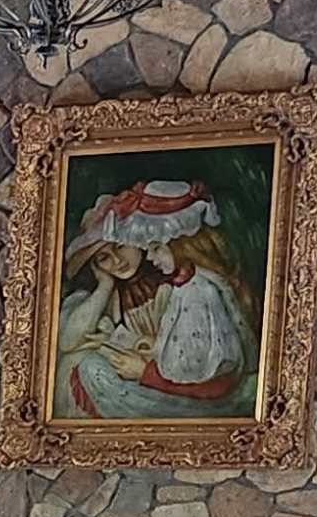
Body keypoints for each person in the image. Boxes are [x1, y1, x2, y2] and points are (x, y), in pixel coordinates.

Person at [48, 178, 261, 420]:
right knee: (80, 363)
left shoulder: (193, 291)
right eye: (103, 259)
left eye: (120, 247)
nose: (117, 261)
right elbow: (183, 351)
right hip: (168, 380)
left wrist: (144, 371)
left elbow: (210, 372)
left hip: (196, 398)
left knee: (91, 370)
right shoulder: (182, 285)